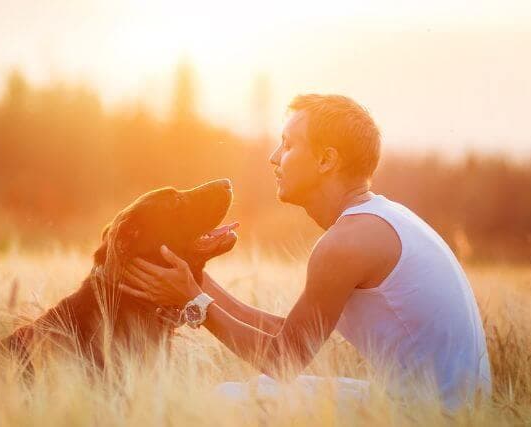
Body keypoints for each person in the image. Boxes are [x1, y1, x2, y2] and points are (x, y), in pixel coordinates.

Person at [118, 94, 491, 410]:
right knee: (249, 395)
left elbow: (283, 359)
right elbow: (289, 334)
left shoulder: (345, 244)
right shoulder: (380, 220)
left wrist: (195, 304)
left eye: (289, 145)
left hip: (431, 415)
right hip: (444, 403)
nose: (274, 157)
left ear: (327, 160)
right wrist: (199, 282)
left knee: (222, 404)